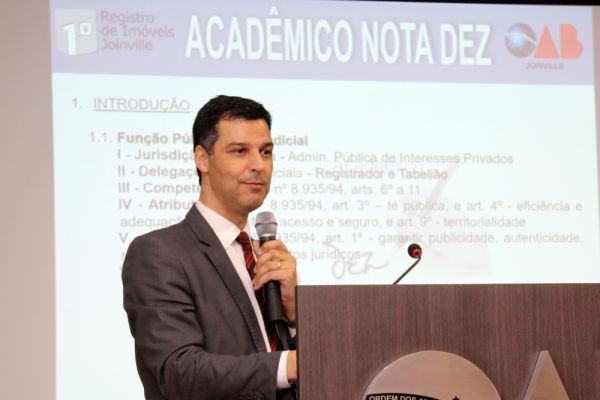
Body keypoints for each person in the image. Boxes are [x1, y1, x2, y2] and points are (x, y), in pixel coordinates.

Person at [122, 95, 298, 400]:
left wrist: (294, 316)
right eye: (240, 151)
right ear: (202, 159)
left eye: (266, 152)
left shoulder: (265, 255)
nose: (258, 165)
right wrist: (288, 365)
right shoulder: (158, 253)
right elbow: (179, 372)